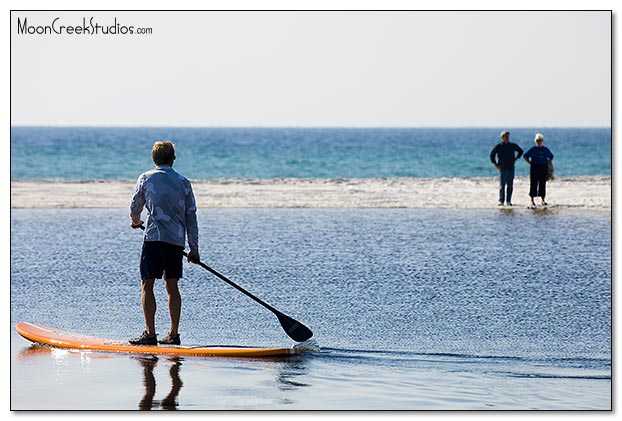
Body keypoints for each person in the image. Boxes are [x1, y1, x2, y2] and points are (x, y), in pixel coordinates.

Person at [129, 141, 200, 345]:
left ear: (154, 159)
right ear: (172, 158)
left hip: (153, 238)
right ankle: (173, 334)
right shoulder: (183, 182)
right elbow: (191, 218)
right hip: (176, 241)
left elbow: (135, 206)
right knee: (172, 286)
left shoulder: (146, 178)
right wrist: (193, 249)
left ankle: (150, 334)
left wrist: (135, 222)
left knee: (147, 284)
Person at [490, 130, 523, 206]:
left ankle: (508, 201)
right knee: (502, 185)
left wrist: (516, 158)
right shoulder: (499, 146)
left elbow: (520, 151)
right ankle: (501, 201)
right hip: (502, 168)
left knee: (510, 185)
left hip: (511, 167)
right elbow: (492, 155)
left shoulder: (512, 145)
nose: (507, 138)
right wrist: (495, 164)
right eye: (505, 137)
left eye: (508, 137)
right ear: (502, 138)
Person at [523, 133, 554, 207]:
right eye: (537, 140)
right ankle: (532, 200)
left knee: (542, 184)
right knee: (533, 183)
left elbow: (551, 156)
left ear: (543, 141)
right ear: (535, 141)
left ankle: (543, 200)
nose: (539, 142)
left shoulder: (545, 149)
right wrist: (530, 162)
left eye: (540, 140)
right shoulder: (533, 149)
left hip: (543, 167)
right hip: (534, 167)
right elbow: (525, 156)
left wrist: (548, 163)